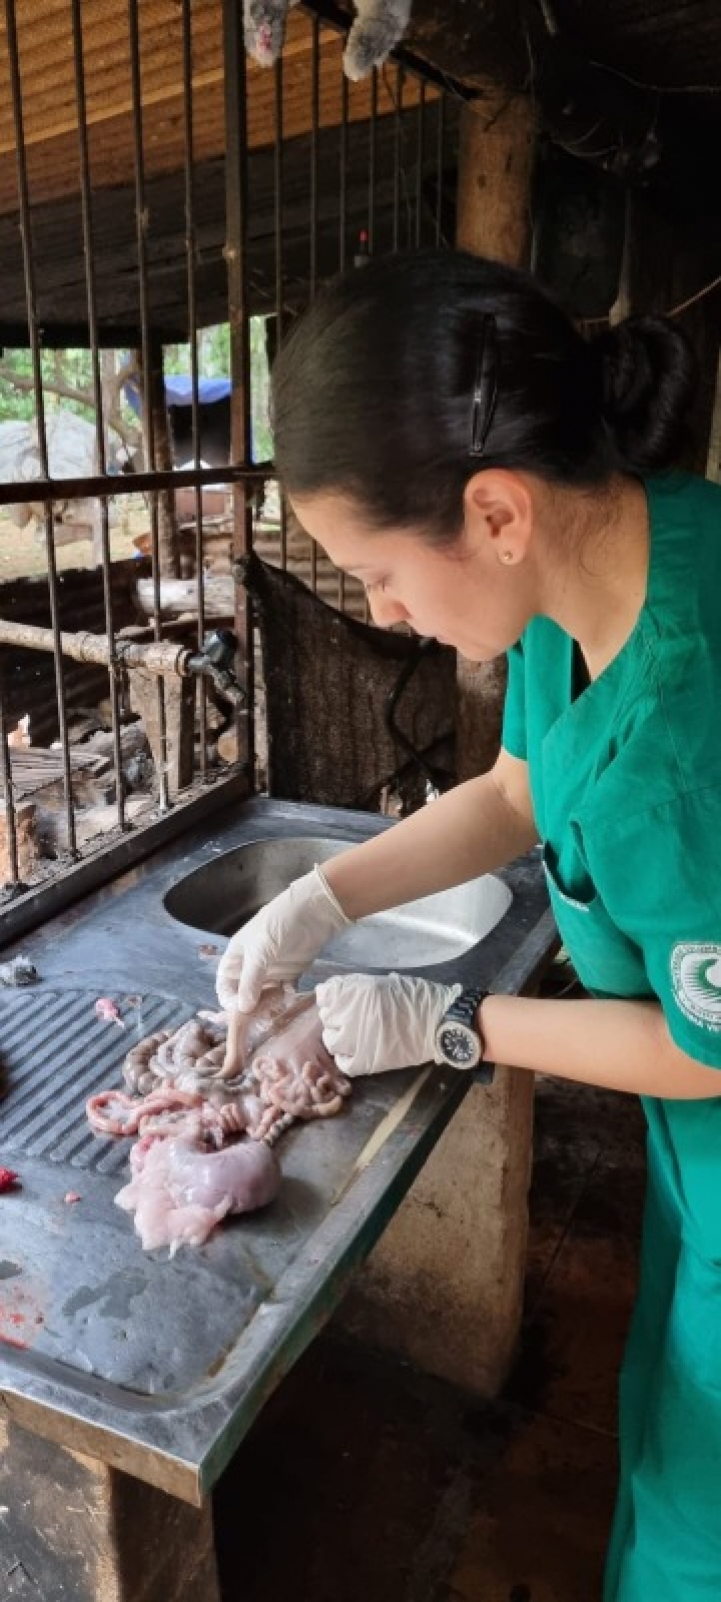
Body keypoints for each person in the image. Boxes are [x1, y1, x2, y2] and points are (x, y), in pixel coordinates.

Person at [216, 248, 721, 1601]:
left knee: (699, 1519)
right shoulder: (604, 555)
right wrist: (324, 898)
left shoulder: (688, 727)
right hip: (696, 1168)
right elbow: (518, 787)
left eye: (375, 572)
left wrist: (457, 1020)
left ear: (492, 509)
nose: (378, 611)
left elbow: (715, 1045)